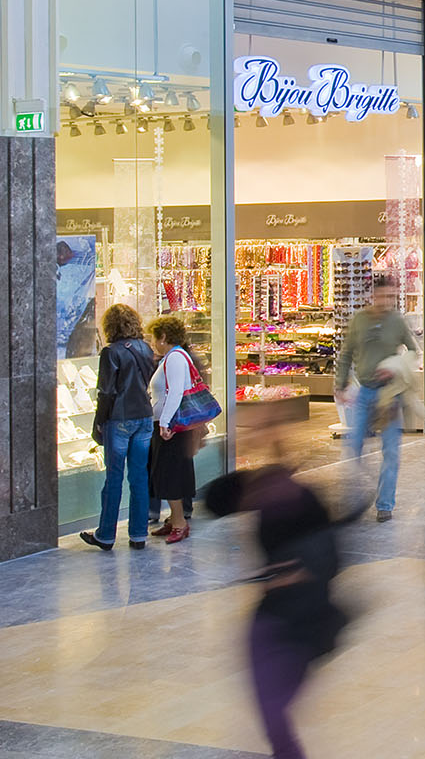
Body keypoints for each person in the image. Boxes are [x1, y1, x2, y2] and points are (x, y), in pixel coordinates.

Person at [205, 463, 353, 759]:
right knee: (272, 701)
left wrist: (289, 574)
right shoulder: (277, 494)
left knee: (271, 702)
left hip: (298, 616)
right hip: (294, 614)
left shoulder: (277, 503)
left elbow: (323, 556)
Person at [334, 274, 419, 522]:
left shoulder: (397, 322)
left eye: (392, 296)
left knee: (391, 450)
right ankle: (357, 498)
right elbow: (346, 353)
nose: (387, 301)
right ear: (373, 295)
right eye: (383, 296)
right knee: (354, 445)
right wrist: (341, 384)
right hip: (364, 392)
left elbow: (413, 350)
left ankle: (385, 504)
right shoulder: (359, 320)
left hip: (389, 395)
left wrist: (394, 366)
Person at [79, 304, 156, 551]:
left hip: (120, 418)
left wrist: (99, 422)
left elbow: (107, 391)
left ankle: (106, 534)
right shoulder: (146, 348)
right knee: (139, 477)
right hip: (144, 416)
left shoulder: (110, 352)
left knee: (114, 477)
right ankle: (138, 534)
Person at [145, 315, 206, 544]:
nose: (152, 342)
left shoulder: (175, 358)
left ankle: (179, 523)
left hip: (172, 428)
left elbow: (175, 392)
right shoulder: (171, 358)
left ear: (163, 336)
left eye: (154, 337)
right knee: (168, 472)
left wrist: (165, 422)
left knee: (170, 474)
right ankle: (174, 518)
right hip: (171, 425)